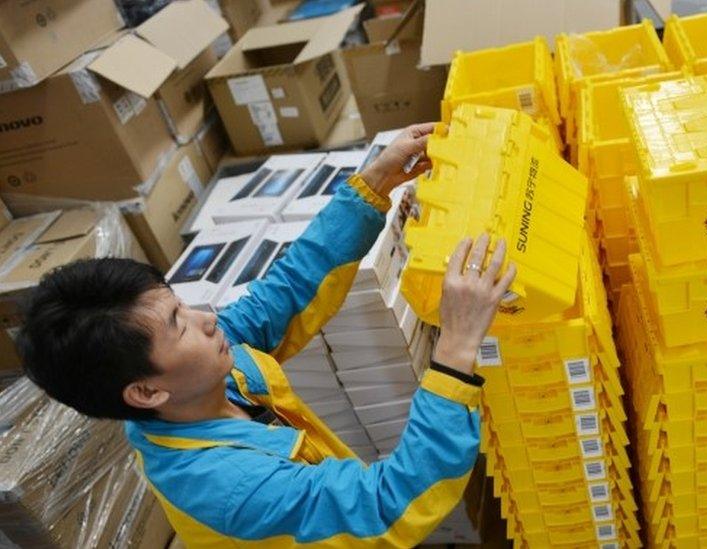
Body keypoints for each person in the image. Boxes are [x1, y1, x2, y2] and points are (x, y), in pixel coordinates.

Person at [17, 124, 516, 547]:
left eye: (180, 305)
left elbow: (289, 290)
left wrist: (375, 181)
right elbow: (386, 506)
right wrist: (455, 350)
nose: (207, 319)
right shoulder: (231, 488)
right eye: (177, 324)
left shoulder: (201, 381)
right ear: (146, 391)